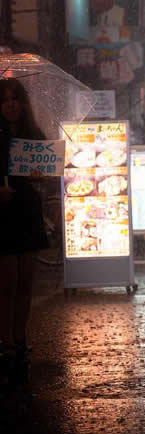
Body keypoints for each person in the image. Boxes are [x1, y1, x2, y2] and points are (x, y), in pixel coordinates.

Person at [0, 79, 50, 380]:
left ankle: (20, 338)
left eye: (15, 99)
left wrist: (39, 176)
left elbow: (47, 168)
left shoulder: (33, 135)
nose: (10, 105)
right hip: (3, 216)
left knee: (25, 284)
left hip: (27, 213)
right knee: (7, 283)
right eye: (5, 100)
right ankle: (5, 340)